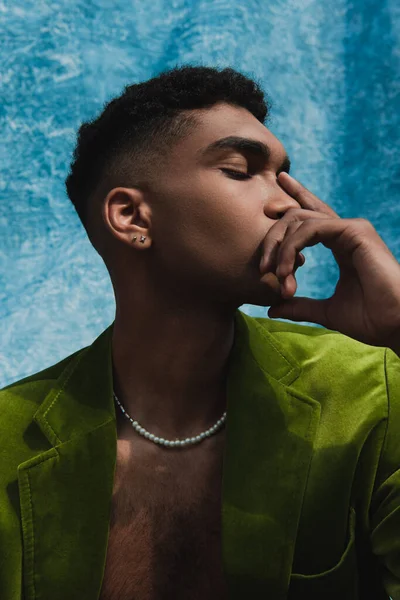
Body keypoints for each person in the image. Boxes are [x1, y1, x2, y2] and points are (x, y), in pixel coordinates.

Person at [1, 64, 399, 600]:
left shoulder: (368, 391)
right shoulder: (9, 437)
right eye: (239, 170)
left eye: (284, 176)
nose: (290, 204)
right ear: (131, 217)